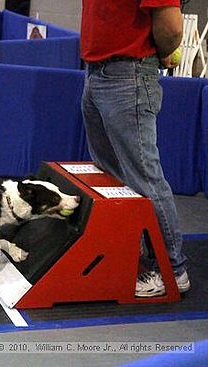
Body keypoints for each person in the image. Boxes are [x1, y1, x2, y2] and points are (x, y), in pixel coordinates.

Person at [80, 1, 190, 297]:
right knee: (112, 175)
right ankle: (134, 254)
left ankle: (172, 270)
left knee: (144, 177)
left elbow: (171, 27)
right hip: (96, 72)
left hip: (128, 75)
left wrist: (164, 51)